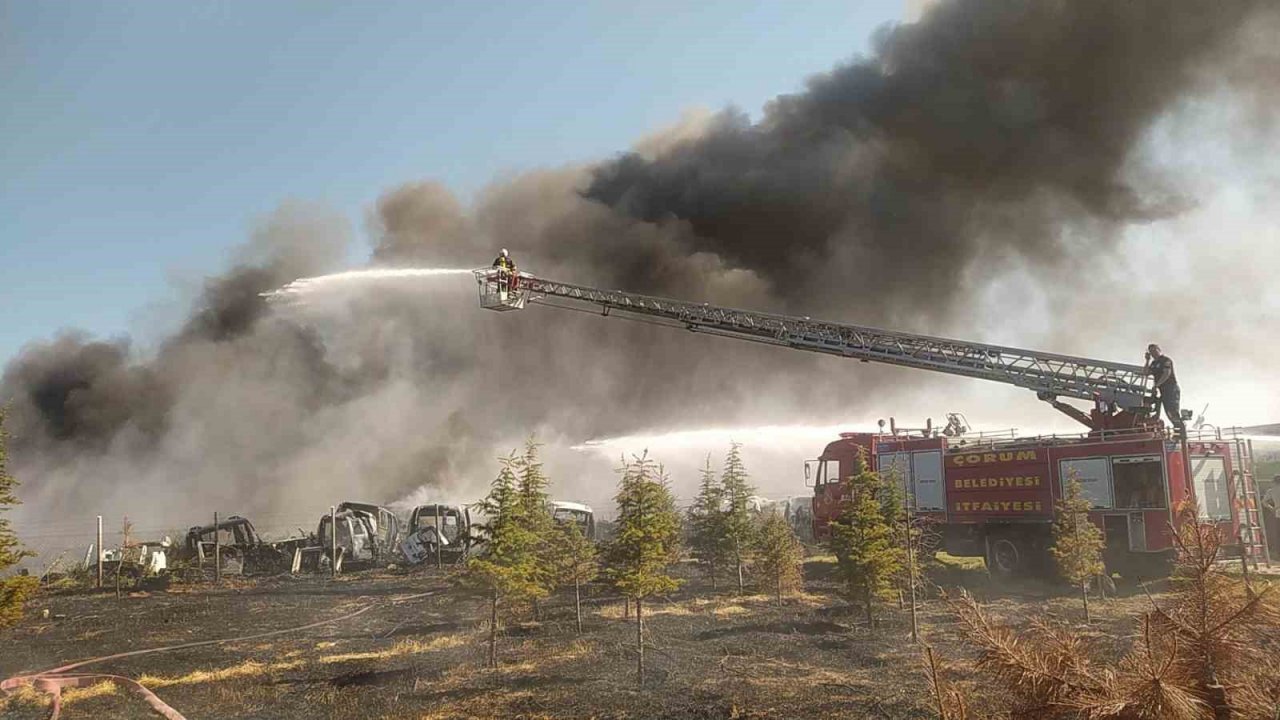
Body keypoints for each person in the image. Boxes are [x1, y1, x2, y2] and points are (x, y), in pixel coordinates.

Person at [1144, 343, 1184, 434]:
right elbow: (1146, 372)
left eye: (1154, 350)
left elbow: (1166, 374)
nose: (1153, 353)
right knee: (1167, 411)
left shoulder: (1166, 360)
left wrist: (1157, 385)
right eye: (1151, 352)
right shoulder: (1153, 363)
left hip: (1171, 389)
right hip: (1162, 390)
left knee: (1172, 411)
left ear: (1159, 350)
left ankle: (1180, 432)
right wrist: (1147, 360)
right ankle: (1177, 431)